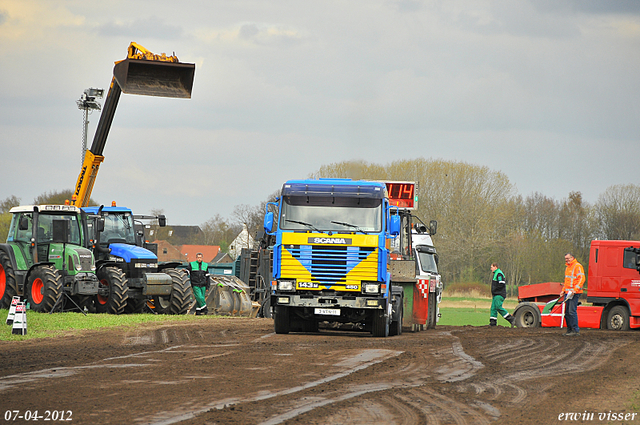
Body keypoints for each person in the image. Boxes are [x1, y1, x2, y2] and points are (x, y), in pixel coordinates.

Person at [560, 253, 585, 336]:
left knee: (571, 311)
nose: (567, 260)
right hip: (568, 293)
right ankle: (569, 329)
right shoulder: (567, 268)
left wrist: (575, 289)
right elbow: (566, 281)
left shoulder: (577, 266)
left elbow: (581, 279)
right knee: (567, 312)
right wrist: (563, 290)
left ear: (572, 258)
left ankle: (575, 330)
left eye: (568, 258)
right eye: (565, 259)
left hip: (574, 293)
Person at [490, 263, 515, 327]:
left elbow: (501, 284)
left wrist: (495, 290)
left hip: (499, 294)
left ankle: (511, 319)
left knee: (498, 307)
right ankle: (493, 323)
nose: (491, 269)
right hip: (495, 294)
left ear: (495, 267)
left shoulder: (499, 273)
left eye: (491, 267)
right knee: (493, 308)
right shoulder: (496, 273)